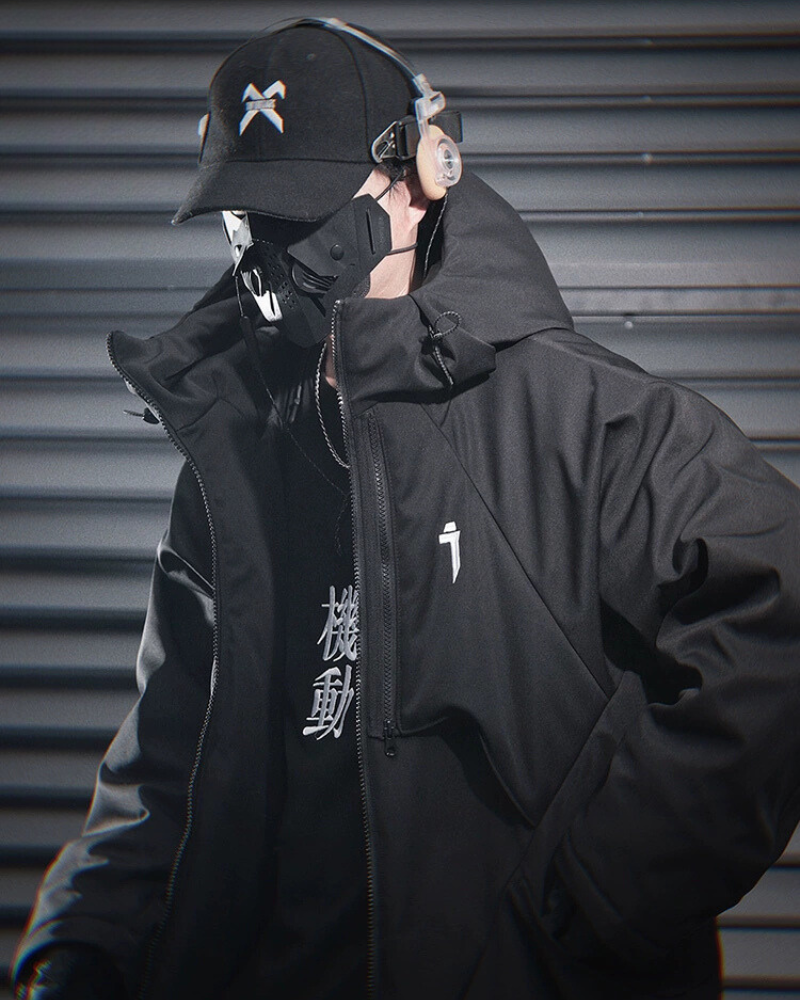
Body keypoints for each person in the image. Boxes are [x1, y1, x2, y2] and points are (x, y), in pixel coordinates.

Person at [13, 17, 800, 1000]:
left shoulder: (579, 419)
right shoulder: (235, 449)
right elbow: (171, 754)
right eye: (245, 218)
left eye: (307, 212)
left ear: (423, 178)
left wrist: (600, 898)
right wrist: (83, 943)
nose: (269, 258)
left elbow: (778, 613)